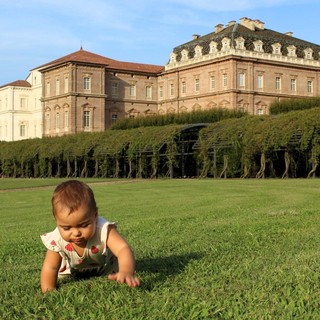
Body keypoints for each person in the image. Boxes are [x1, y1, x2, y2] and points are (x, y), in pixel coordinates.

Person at [40, 180, 140, 293]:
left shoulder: (103, 230)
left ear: (95, 215)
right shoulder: (57, 239)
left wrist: (126, 271)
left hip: (105, 268)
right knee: (61, 274)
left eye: (83, 225)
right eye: (66, 228)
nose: (76, 233)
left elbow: (123, 249)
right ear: (56, 220)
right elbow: (50, 267)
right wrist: (48, 291)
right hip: (72, 271)